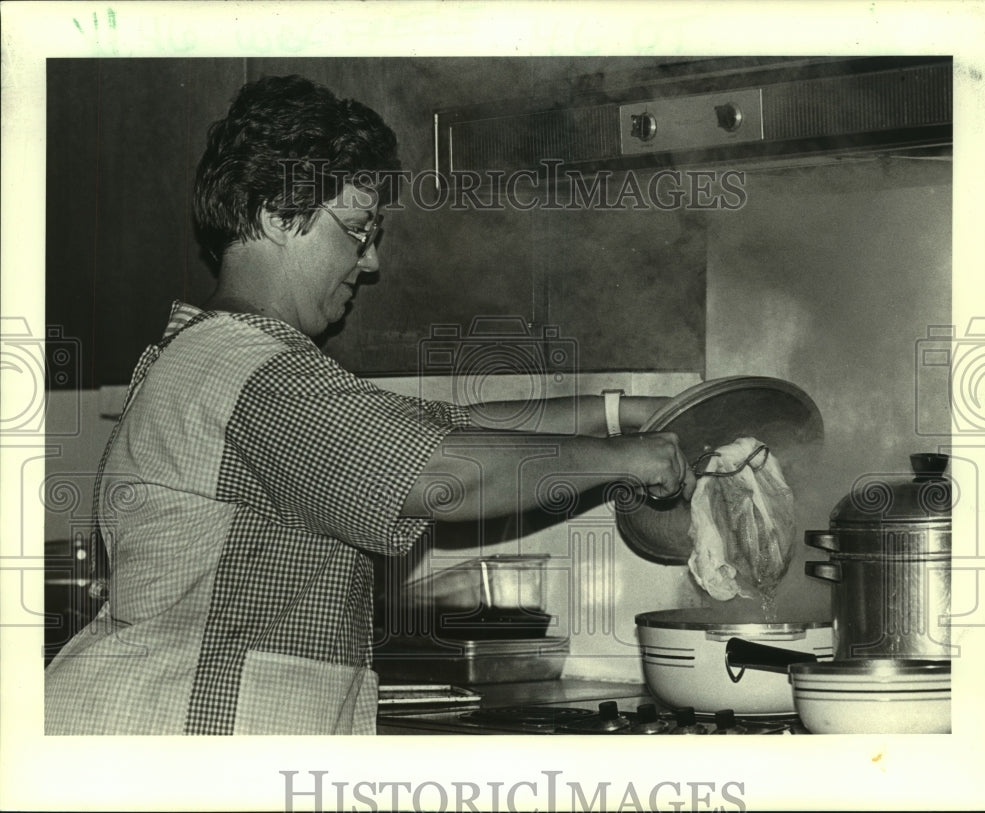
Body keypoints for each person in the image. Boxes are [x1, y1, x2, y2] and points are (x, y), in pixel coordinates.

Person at [44, 74, 695, 735]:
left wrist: (627, 413)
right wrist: (631, 457)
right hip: (182, 744)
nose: (372, 259)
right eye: (357, 228)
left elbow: (450, 430)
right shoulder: (251, 372)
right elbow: (442, 472)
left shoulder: (222, 360)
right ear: (277, 213)